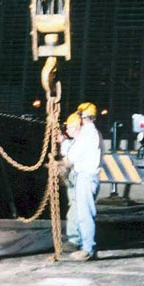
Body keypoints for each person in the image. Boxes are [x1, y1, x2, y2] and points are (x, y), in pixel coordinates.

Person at [62, 102, 103, 261]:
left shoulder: (87, 134)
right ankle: (86, 247)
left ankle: (88, 249)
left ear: (83, 116)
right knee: (83, 213)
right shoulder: (94, 133)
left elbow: (72, 157)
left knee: (85, 214)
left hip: (86, 177)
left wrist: (61, 163)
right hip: (87, 176)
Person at [57, 113, 82, 253]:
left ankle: (74, 240)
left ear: (77, 127)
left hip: (80, 177)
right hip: (77, 177)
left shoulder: (81, 141)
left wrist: (57, 164)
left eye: (69, 127)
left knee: (75, 210)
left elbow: (70, 160)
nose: (67, 130)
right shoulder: (77, 141)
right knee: (75, 206)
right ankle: (77, 238)